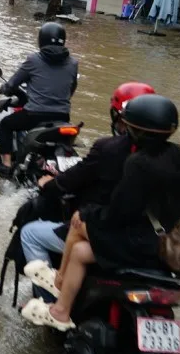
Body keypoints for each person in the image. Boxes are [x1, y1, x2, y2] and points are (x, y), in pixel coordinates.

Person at [20, 95, 180, 330]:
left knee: (78, 222)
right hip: (163, 244)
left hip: (138, 244)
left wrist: (88, 214)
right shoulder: (179, 155)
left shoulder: (137, 162)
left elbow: (119, 211)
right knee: (79, 249)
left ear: (133, 128)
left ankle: (58, 292)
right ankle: (61, 305)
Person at [18, 82, 155, 303]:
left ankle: (49, 301)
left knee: (30, 233)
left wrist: (47, 184)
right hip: (150, 245)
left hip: (112, 238)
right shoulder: (173, 157)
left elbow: (69, 182)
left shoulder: (109, 149)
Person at [0, 22, 79, 176]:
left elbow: (13, 83)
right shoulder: (73, 63)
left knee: (6, 124)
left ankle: (6, 166)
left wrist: (4, 89)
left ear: (42, 40)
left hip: (34, 116)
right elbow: (71, 89)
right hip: (63, 117)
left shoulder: (33, 60)